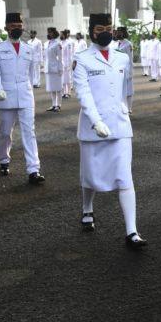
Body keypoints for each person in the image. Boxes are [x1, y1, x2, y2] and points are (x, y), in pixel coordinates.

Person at [72, 14, 147, 248]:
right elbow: (83, 93)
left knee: (125, 176)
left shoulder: (123, 58)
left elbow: (126, 88)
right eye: (100, 28)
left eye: (109, 28)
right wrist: (96, 121)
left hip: (120, 125)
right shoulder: (81, 59)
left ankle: (132, 232)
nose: (105, 32)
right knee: (90, 175)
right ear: (91, 31)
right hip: (93, 127)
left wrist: (126, 109)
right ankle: (87, 208)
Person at [0, 13, 45, 185]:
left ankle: (33, 170)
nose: (16, 28)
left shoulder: (28, 48)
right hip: (6, 95)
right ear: (6, 27)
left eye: (19, 25)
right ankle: (4, 160)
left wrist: (32, 85)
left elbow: (30, 73)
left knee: (29, 132)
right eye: (12, 26)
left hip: (25, 95)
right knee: (5, 132)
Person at [44, 27, 64, 112]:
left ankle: (58, 105)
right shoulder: (46, 43)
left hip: (56, 68)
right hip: (48, 68)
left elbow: (60, 57)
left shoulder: (57, 44)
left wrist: (60, 68)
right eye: (48, 32)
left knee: (58, 88)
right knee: (51, 88)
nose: (49, 34)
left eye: (51, 32)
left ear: (54, 33)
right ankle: (53, 105)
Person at [115, 27, 135, 112]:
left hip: (126, 70)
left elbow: (130, 59)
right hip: (119, 70)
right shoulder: (117, 43)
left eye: (119, 32)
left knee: (129, 90)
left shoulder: (128, 44)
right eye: (117, 32)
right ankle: (123, 107)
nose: (117, 34)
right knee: (121, 90)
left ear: (123, 33)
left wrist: (130, 72)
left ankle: (129, 108)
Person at [61, 29, 75, 98]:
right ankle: (64, 92)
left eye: (62, 34)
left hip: (68, 62)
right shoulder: (60, 43)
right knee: (63, 78)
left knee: (68, 78)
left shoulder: (68, 43)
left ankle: (68, 92)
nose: (60, 36)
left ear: (65, 35)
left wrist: (70, 63)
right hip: (62, 62)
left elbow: (70, 54)